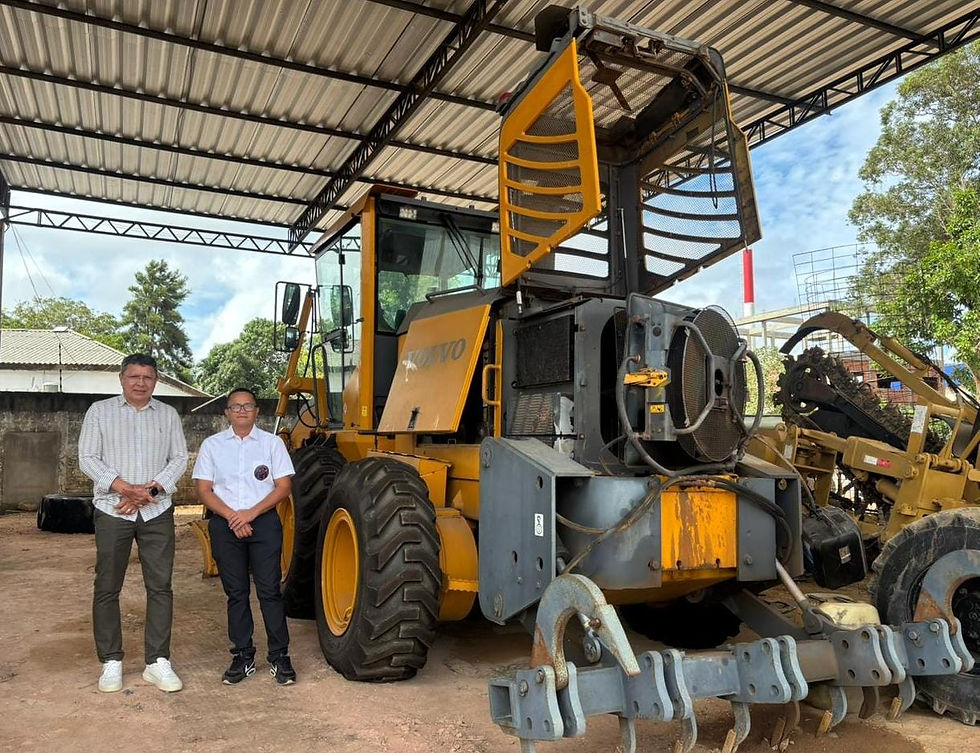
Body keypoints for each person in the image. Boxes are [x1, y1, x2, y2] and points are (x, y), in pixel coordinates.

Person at [78, 353, 188, 694]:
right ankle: (111, 660)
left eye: (148, 377)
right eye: (134, 376)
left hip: (156, 510)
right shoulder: (99, 412)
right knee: (107, 585)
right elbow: (87, 458)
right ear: (122, 378)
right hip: (113, 510)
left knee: (161, 586)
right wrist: (126, 489)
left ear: (156, 381)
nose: (141, 383)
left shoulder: (168, 414)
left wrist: (148, 491)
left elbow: (179, 458)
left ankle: (157, 661)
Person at [192, 387, 297, 685]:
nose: (241, 410)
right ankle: (242, 655)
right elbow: (204, 490)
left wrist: (249, 514)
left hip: (263, 524)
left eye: (247, 406)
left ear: (256, 411)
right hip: (225, 525)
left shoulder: (272, 444)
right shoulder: (212, 445)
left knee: (269, 591)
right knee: (236, 593)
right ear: (227, 412)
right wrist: (232, 516)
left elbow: (283, 487)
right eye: (236, 406)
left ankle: (279, 656)